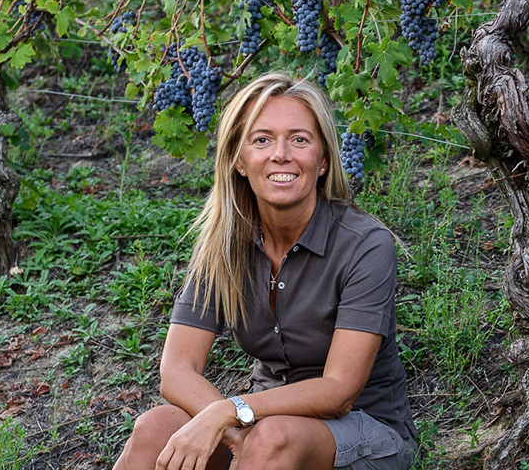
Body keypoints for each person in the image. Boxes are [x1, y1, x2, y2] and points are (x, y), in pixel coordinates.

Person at [115, 73, 415, 470]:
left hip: (363, 430)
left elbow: (338, 391)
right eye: (262, 139)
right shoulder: (223, 244)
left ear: (323, 160)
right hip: (260, 427)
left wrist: (230, 412)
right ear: (239, 161)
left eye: (299, 139)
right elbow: (176, 370)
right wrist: (230, 426)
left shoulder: (365, 245)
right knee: (157, 426)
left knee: (272, 440)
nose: (281, 154)